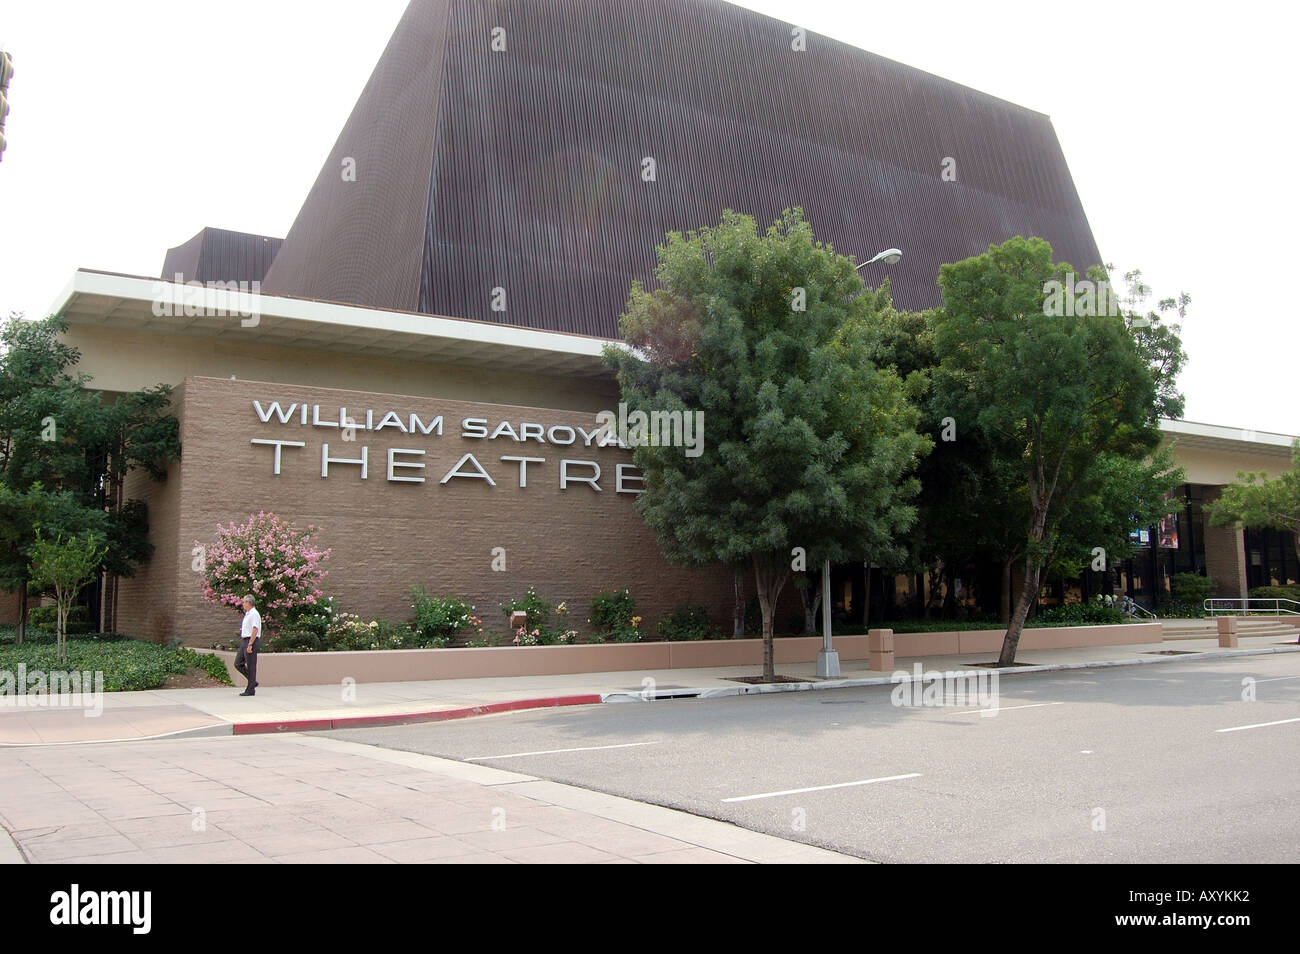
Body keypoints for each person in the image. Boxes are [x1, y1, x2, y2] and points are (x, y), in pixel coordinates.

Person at [235, 594, 261, 696]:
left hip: (251, 640)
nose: (243, 604)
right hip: (245, 640)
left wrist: (250, 644)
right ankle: (253, 681)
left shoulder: (254, 614)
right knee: (238, 663)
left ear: (248, 603)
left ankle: (250, 690)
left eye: (244, 602)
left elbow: (255, 629)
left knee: (251, 665)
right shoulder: (248, 614)